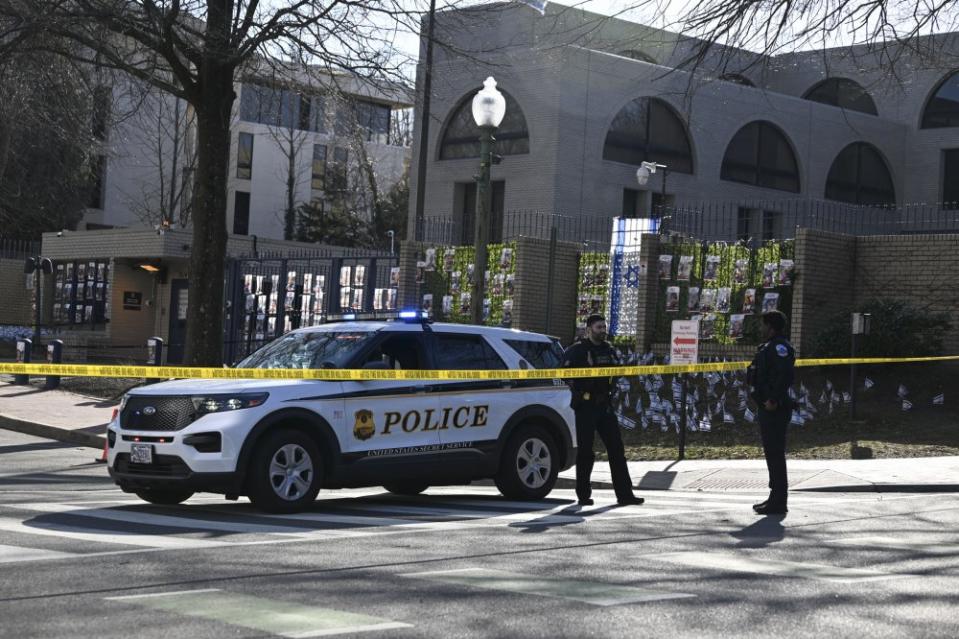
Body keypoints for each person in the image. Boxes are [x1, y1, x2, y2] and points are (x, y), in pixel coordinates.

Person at [563, 314, 644, 507]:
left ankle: (625, 494)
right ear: (589, 329)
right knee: (585, 451)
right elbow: (563, 373)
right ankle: (583, 494)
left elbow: (617, 371)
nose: (603, 330)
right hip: (585, 406)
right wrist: (579, 388)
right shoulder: (577, 351)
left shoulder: (609, 350)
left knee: (616, 449)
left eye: (604, 327)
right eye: (599, 327)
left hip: (604, 406)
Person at [747, 310, 795, 515]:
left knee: (775, 453)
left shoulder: (780, 347)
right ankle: (774, 498)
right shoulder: (768, 347)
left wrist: (773, 399)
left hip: (775, 407)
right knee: (771, 453)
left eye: (763, 324)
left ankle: (779, 501)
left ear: (771, 326)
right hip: (766, 406)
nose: (761, 328)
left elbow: (784, 376)